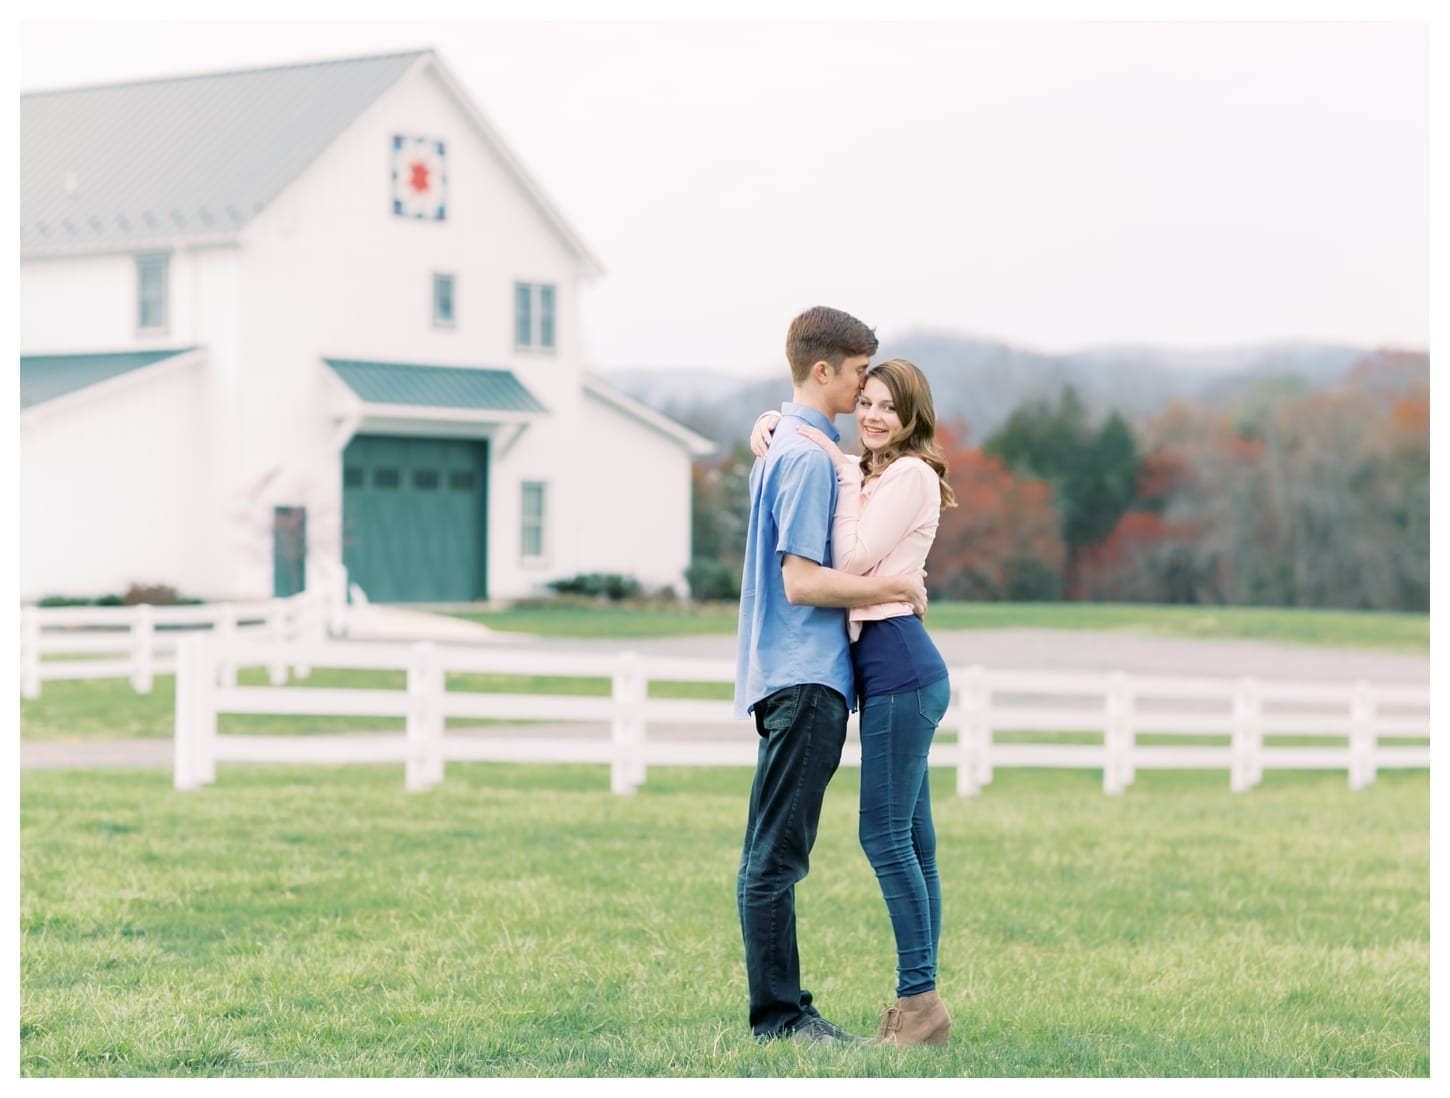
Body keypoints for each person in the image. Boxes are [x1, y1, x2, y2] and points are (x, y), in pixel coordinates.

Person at [734, 307, 929, 1046]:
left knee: (770, 853)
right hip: (806, 678)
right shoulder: (808, 458)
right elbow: (804, 583)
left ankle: (780, 1011)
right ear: (824, 370)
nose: (861, 389)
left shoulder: (785, 443)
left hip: (780, 674)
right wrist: (895, 589)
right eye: (855, 375)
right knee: (777, 859)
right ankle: (782, 1017)